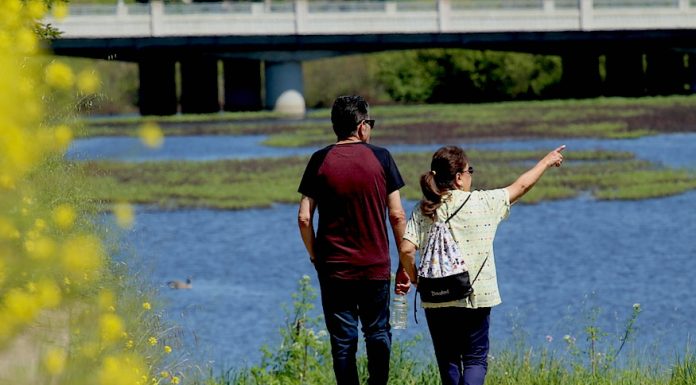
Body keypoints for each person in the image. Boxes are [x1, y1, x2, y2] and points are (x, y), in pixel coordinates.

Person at [398, 145, 565, 385]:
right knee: (475, 359)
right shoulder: (483, 202)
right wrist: (546, 162)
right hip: (475, 295)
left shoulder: (424, 208)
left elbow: (405, 249)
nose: (470, 176)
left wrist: (414, 278)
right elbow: (521, 186)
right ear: (458, 178)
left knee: (448, 360)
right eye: (469, 171)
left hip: (436, 297)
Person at [297, 95, 408, 385]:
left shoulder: (319, 160)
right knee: (378, 332)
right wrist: (405, 262)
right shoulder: (381, 157)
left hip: (334, 268)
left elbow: (304, 218)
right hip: (374, 266)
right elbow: (397, 215)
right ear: (361, 127)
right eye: (369, 123)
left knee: (343, 341)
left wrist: (315, 255)